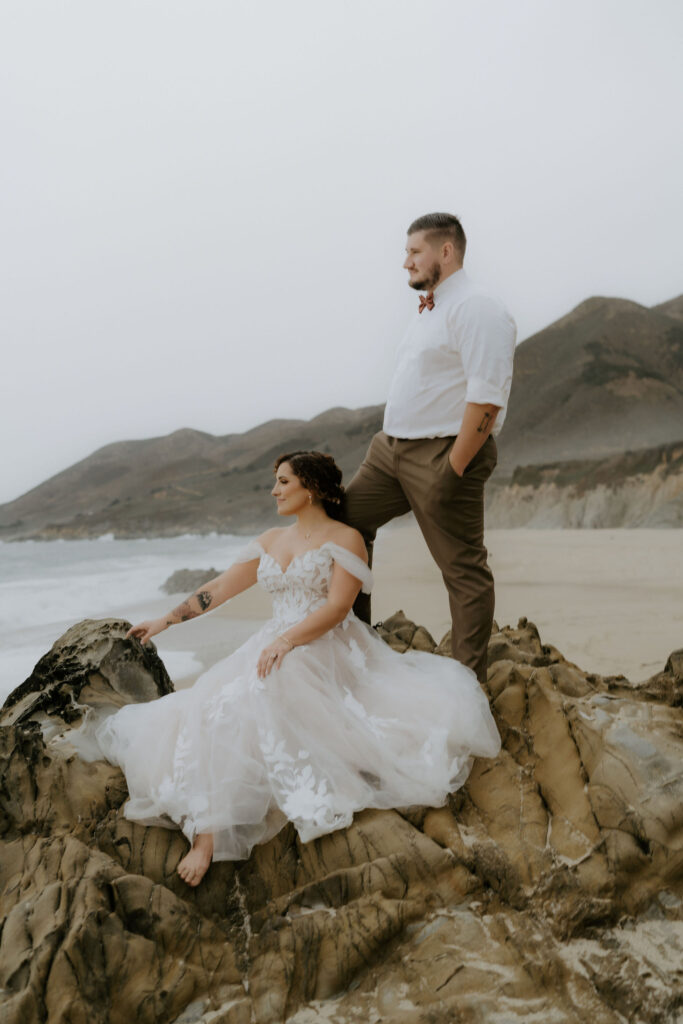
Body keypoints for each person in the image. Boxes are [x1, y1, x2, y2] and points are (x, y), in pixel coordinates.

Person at [89, 451, 500, 887]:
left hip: (321, 643)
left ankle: (215, 832)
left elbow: (340, 607)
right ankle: (205, 832)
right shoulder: (270, 539)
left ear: (312, 488)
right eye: (276, 482)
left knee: (265, 693)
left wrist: (289, 641)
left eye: (284, 482)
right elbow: (221, 588)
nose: (274, 490)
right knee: (212, 704)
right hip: (271, 641)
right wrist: (166, 621)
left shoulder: (346, 539)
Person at [345, 212, 517, 684]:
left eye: (414, 251)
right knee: (346, 524)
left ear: (446, 251)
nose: (405, 262)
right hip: (390, 452)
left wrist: (454, 467)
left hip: (441, 454)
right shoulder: (431, 306)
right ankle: (353, 640)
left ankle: (468, 683)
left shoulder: (478, 306)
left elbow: (487, 395)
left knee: (462, 569)